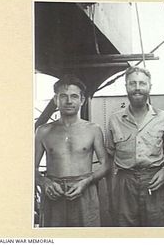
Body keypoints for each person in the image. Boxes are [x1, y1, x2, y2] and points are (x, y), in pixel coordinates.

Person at [105, 66, 164, 227]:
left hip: (154, 181)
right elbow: (108, 156)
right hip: (124, 183)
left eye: (142, 83)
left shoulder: (163, 117)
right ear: (126, 87)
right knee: (125, 230)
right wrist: (112, 191)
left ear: (150, 87)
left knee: (157, 230)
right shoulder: (115, 119)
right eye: (132, 83)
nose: (137, 88)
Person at [35, 75, 109, 227]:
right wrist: (45, 182)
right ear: (56, 100)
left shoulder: (93, 130)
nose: (69, 101)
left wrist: (87, 181)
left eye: (74, 96)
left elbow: (106, 164)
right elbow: (30, 167)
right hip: (54, 192)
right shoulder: (43, 131)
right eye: (63, 96)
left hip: (85, 190)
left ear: (81, 100)